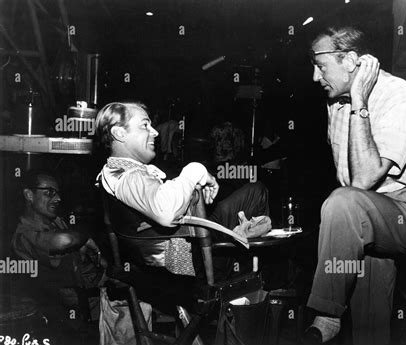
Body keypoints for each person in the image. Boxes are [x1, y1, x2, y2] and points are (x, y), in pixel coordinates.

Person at [303, 26, 406, 345]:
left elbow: (363, 180)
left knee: (344, 201)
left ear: (350, 60)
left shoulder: (401, 94)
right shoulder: (334, 103)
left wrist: (360, 100)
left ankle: (327, 314)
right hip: (361, 218)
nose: (314, 77)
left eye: (321, 66)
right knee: (371, 330)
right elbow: (352, 182)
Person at [94, 102, 269, 314]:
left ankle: (252, 283)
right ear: (119, 133)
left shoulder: (116, 172)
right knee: (257, 196)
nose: (156, 132)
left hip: (181, 251)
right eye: (145, 125)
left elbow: (158, 204)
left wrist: (192, 194)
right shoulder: (126, 175)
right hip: (187, 265)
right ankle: (253, 299)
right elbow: (166, 212)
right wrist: (194, 170)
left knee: (253, 193)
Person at [10, 169, 105, 325]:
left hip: (93, 294)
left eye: (57, 193)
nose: (58, 198)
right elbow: (65, 239)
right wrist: (85, 239)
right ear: (29, 195)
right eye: (49, 192)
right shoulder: (23, 236)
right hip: (65, 315)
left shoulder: (54, 220)